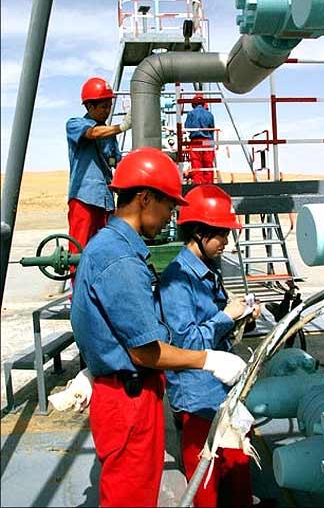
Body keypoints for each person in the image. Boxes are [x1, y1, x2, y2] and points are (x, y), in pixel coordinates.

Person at [70, 147, 249, 508]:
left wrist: (97, 361)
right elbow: (145, 350)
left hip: (127, 392)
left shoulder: (110, 247)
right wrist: (208, 360)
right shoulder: (121, 258)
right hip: (129, 401)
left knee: (134, 492)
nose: (170, 216)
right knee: (131, 498)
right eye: (168, 205)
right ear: (145, 198)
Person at [159, 184, 261, 508]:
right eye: (222, 235)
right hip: (198, 400)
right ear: (200, 232)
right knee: (206, 490)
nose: (227, 242)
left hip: (221, 393)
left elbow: (217, 328)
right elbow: (186, 343)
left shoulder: (208, 270)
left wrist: (243, 316)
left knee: (238, 476)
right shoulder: (176, 280)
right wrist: (225, 317)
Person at [66, 76, 132, 272]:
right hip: (84, 199)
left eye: (109, 105)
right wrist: (121, 127)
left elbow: (117, 164)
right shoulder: (74, 124)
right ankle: (77, 296)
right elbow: (92, 133)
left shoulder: (109, 137)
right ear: (89, 106)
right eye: (103, 106)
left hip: (105, 202)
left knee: (105, 250)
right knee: (79, 251)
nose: (107, 110)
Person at [185, 93, 216, 184]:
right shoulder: (209, 114)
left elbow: (187, 127)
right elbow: (212, 128)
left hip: (195, 142)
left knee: (196, 164)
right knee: (208, 164)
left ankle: (198, 185)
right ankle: (209, 185)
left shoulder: (191, 114)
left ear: (193, 104)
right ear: (204, 103)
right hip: (207, 142)